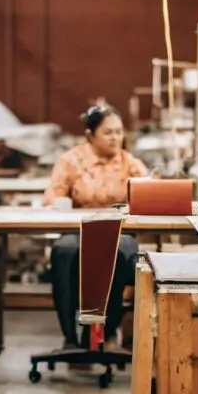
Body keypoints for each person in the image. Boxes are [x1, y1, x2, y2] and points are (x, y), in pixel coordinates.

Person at [43, 105, 149, 349]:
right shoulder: (71, 161)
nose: (115, 138)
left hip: (119, 230)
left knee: (119, 251)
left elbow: (150, 193)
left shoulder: (130, 163)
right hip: (77, 229)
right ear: (90, 135)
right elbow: (53, 196)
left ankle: (107, 332)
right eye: (108, 132)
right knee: (64, 251)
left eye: (119, 132)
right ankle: (70, 336)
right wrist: (60, 203)